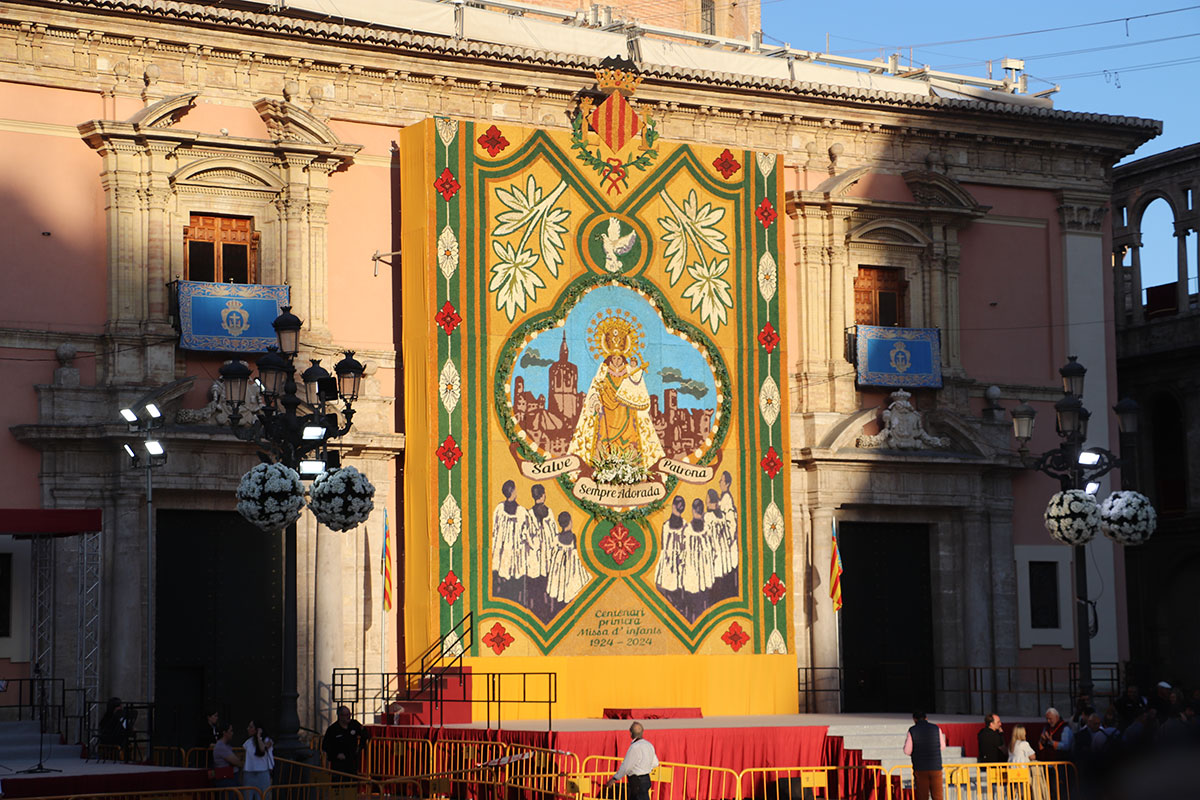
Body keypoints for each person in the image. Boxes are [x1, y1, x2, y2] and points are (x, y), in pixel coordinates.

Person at [568, 313, 665, 476]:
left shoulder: (629, 369)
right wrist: (595, 401)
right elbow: (595, 387)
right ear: (609, 355)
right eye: (614, 357)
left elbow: (637, 386)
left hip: (626, 412)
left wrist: (636, 373)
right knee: (604, 439)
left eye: (620, 357)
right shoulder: (603, 370)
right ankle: (605, 468)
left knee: (629, 440)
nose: (617, 361)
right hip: (606, 413)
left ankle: (630, 468)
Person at [605, 722, 659, 800]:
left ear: (630, 733)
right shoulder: (649, 745)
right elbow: (655, 763)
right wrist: (645, 768)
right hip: (646, 779)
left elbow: (626, 767)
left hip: (637, 781)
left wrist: (614, 778)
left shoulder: (634, 747)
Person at [903, 711, 946, 800]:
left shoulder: (912, 730)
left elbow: (907, 751)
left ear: (914, 719)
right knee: (938, 796)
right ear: (926, 718)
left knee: (922, 796)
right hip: (936, 767)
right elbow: (942, 746)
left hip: (920, 768)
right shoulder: (936, 728)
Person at [323, 705, 369, 781]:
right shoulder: (333, 729)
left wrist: (360, 747)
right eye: (346, 715)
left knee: (352, 784)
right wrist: (336, 755)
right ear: (340, 716)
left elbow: (365, 734)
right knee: (339, 784)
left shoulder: (354, 724)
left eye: (349, 714)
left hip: (351, 761)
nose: (348, 717)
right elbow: (325, 745)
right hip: (339, 764)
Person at [1008, 726, 1046, 800]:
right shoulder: (1024, 744)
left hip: (1012, 771)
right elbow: (1033, 756)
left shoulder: (1011, 744)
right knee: (1025, 793)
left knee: (1015, 792)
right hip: (1023, 772)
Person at [242, 720, 274, 797]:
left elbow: (262, 749)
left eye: (251, 727)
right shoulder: (248, 743)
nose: (248, 729)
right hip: (249, 773)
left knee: (263, 795)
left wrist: (258, 736)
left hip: (262, 773)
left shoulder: (267, 740)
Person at [212, 722, 244, 791]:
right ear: (224, 733)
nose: (232, 733)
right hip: (226, 779)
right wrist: (241, 762)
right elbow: (237, 762)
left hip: (230, 778)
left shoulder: (226, 745)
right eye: (231, 731)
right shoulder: (221, 747)